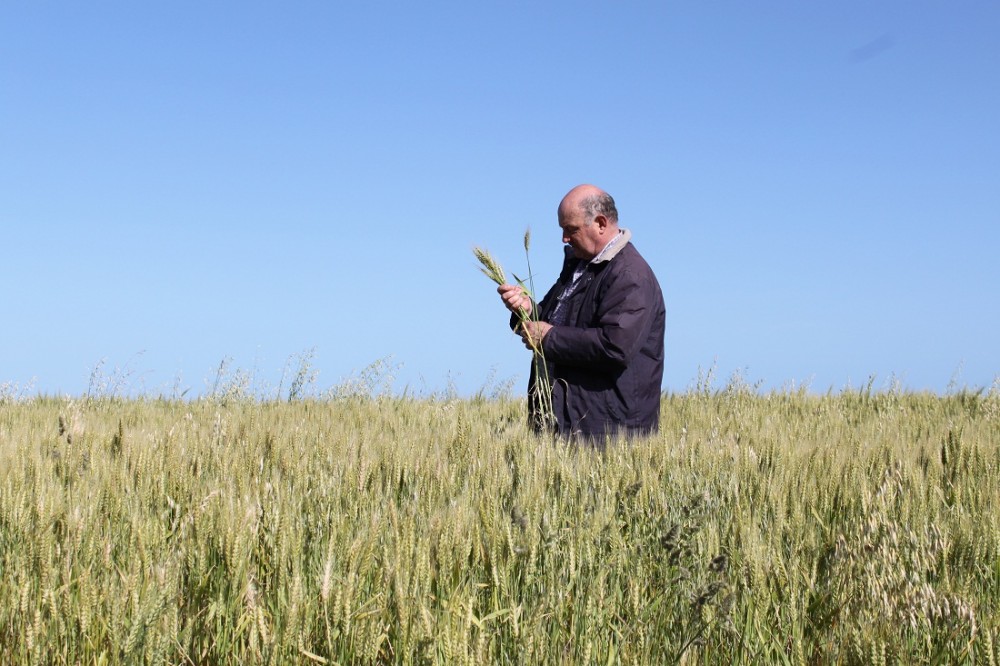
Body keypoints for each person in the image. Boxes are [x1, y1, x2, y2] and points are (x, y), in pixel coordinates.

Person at [497, 184, 665, 441]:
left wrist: (548, 337)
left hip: (606, 435)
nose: (564, 238)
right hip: (564, 426)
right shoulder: (579, 267)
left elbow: (615, 346)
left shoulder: (630, 276)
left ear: (600, 223)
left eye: (570, 229)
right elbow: (557, 323)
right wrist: (528, 311)